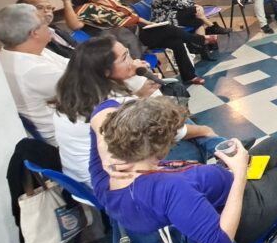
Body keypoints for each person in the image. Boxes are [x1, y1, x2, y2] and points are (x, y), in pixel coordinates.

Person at [90, 96, 277, 243]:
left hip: (222, 191)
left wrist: (105, 151)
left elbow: (103, 107)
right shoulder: (169, 188)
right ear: (159, 147)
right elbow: (220, 241)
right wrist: (239, 173)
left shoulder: (105, 177)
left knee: (275, 146)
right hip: (243, 212)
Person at [52, 36, 220, 186]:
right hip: (115, 179)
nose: (133, 61)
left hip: (80, 174)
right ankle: (221, 151)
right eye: (125, 58)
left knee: (182, 125)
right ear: (105, 71)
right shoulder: (119, 101)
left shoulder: (69, 94)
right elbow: (173, 128)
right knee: (193, 136)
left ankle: (219, 147)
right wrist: (205, 130)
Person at [68, 0, 212, 85]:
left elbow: (133, 16)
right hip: (128, 39)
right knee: (169, 29)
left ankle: (189, 76)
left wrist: (150, 23)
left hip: (140, 31)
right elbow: (75, 26)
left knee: (176, 41)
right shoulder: (85, 9)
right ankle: (201, 40)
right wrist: (65, 1)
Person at [0, 4, 67, 144]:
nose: (49, 24)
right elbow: (88, 84)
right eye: (44, 23)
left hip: (68, 118)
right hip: (63, 137)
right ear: (34, 33)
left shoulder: (20, 49)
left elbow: (70, 64)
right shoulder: (32, 70)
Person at [18, 0, 83, 59]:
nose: (46, 11)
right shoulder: (31, 39)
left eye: (49, 8)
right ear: (24, 12)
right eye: (40, 7)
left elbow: (78, 47)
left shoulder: (56, 29)